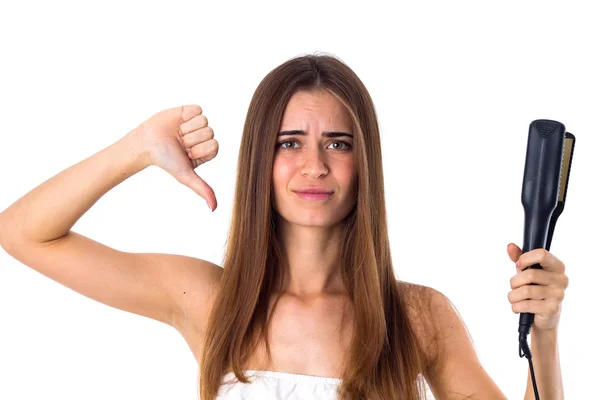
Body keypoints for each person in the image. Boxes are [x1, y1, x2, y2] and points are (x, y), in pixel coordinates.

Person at [0, 54, 568, 400]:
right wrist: (138, 148)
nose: (314, 165)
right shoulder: (210, 300)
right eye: (289, 143)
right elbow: (24, 232)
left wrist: (542, 332)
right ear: (259, 162)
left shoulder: (419, 318)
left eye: (338, 144)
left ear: (364, 162)